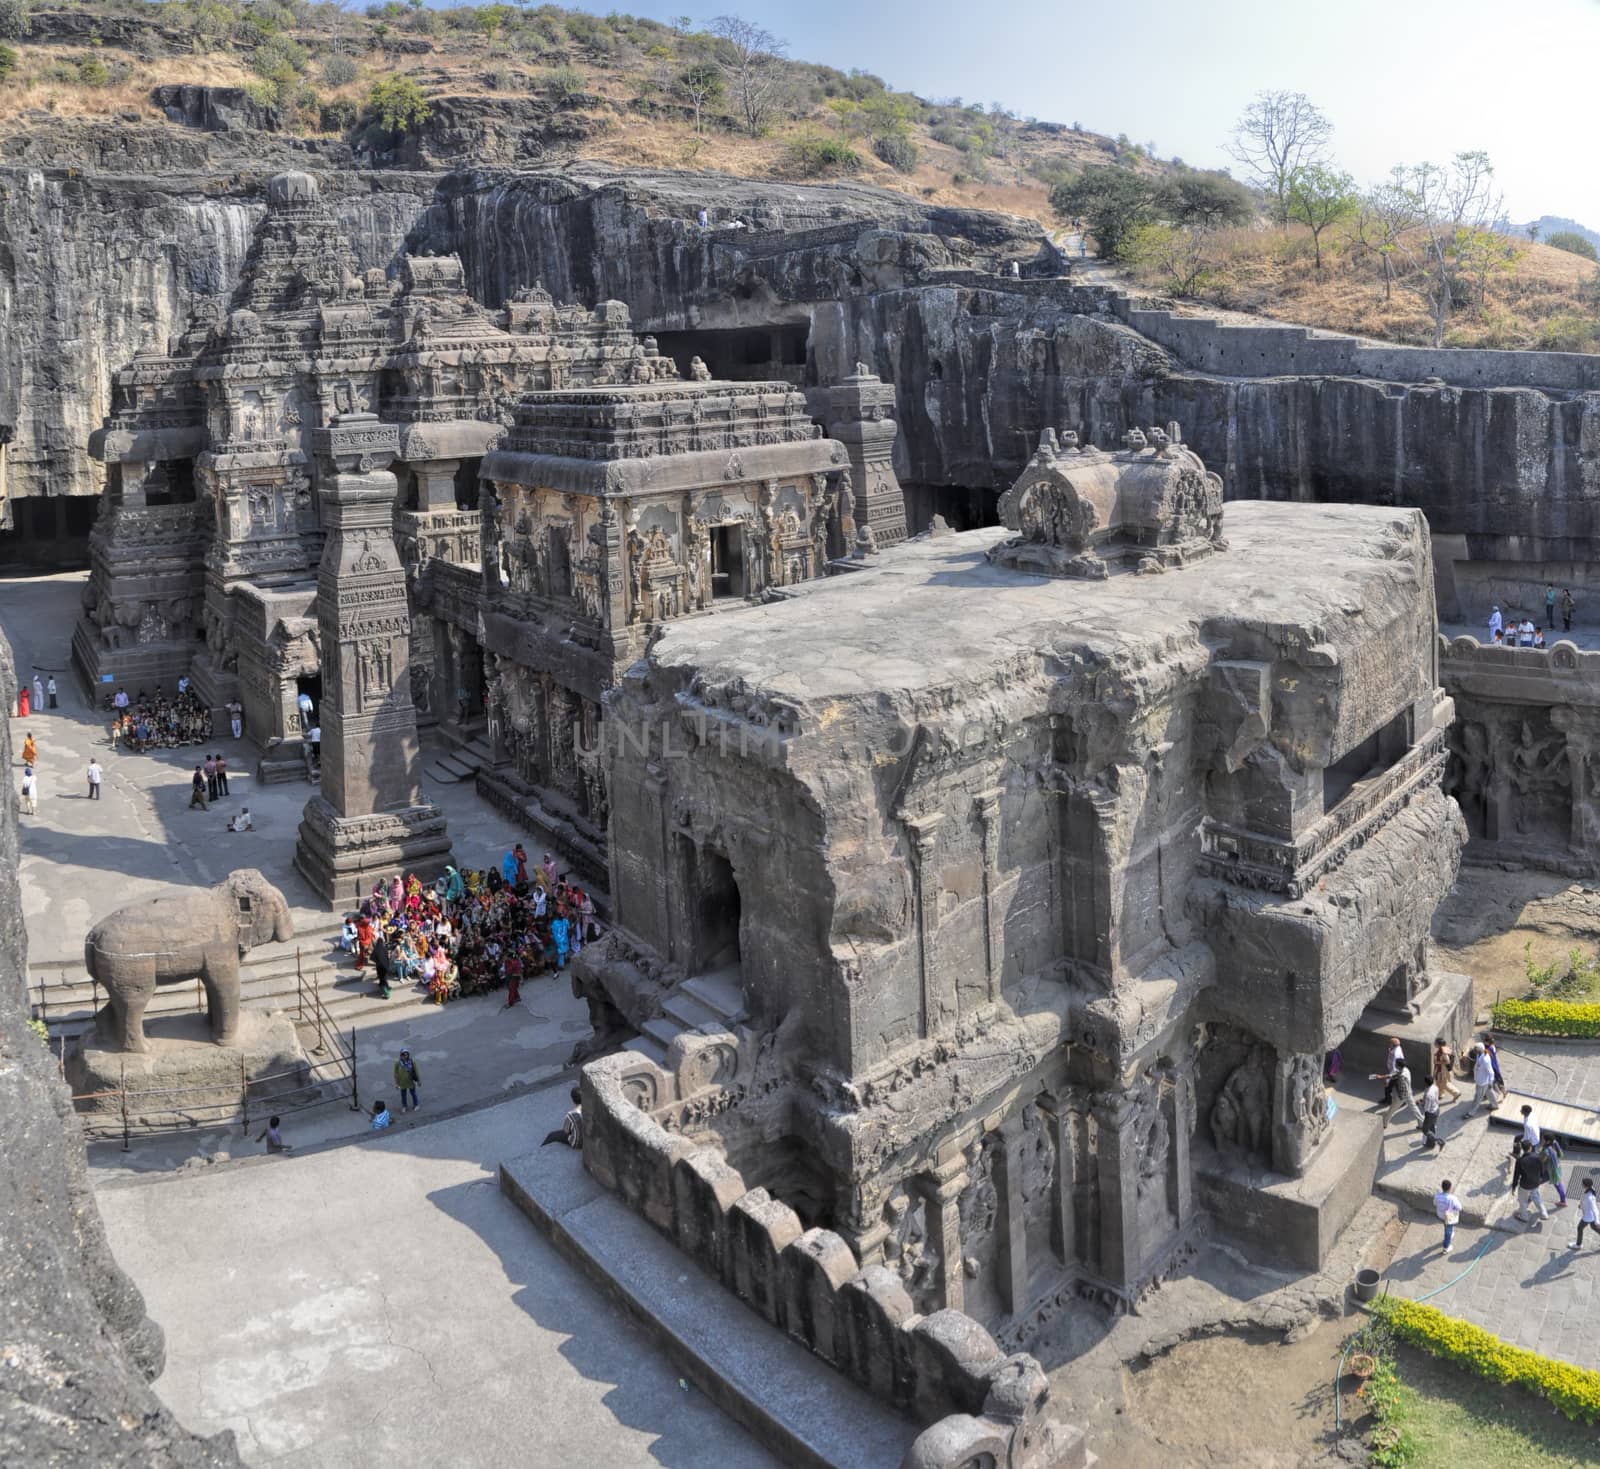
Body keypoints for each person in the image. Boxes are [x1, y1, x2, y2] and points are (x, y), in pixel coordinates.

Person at [1511, 1139, 1552, 1225]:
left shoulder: (1520, 1160)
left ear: (1523, 1149)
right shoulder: (1537, 1157)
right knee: (1536, 1197)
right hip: (1535, 1182)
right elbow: (1542, 1169)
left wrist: (1514, 1186)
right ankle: (1544, 1213)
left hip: (1525, 1185)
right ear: (1530, 1147)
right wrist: (1540, 1178)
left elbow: (1516, 1175)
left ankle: (1524, 1217)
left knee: (1522, 1201)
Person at [1386, 1059, 1424, 1126]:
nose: (1395, 1065)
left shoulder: (1401, 1077)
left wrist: (1400, 1097)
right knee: (1415, 1109)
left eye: (1396, 1064)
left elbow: (1403, 1088)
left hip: (1403, 1096)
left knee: (1392, 1110)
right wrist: (1383, 1076)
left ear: (1398, 1066)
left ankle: (1384, 1123)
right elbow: (1396, 1074)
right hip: (1409, 1094)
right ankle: (1422, 1123)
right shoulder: (1406, 1070)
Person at [1464, 1045, 1498, 1116]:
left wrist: (1490, 1082)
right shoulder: (1479, 1055)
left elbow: (1491, 1072)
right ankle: (1494, 1105)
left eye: (1476, 1050)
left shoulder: (1485, 1060)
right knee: (1489, 1093)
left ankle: (1471, 1112)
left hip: (1482, 1082)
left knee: (1477, 1098)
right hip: (1480, 1079)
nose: (1474, 1051)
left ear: (1480, 1050)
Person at [1434, 1179, 1463, 1255]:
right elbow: (1460, 1208)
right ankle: (1446, 1248)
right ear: (1450, 1188)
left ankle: (1450, 1233)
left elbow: (1435, 1203)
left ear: (1442, 1187)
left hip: (1440, 1215)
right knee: (1448, 1231)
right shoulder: (1452, 1198)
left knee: (1446, 1225)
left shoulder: (1437, 1196)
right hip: (1449, 1217)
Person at [1432, 1036, 1461, 1102]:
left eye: (1435, 1043)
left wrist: (1437, 1062)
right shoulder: (1445, 1048)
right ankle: (1441, 1094)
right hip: (1444, 1070)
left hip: (1441, 1070)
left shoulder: (1442, 1051)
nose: (1434, 1044)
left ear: (1439, 1044)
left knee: (1444, 1083)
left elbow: (1447, 1061)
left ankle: (1456, 1092)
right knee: (1439, 1082)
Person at [1541, 1133, 1568, 1207]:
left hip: (1551, 1172)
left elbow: (1542, 1160)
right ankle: (1563, 1201)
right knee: (1558, 1184)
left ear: (1548, 1141)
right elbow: (1561, 1155)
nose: (1542, 1140)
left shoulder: (1547, 1150)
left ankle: (1563, 1201)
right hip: (1557, 1168)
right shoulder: (1555, 1144)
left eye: (1543, 1139)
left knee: (1537, 1183)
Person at [1420, 1079, 1444, 1150]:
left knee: (1425, 1130)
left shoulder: (1428, 1095)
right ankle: (1431, 1144)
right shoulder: (1435, 1087)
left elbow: (1426, 1108)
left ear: (1426, 1083)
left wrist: (1420, 1104)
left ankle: (1439, 1141)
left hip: (1430, 1114)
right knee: (1432, 1127)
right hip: (1436, 1109)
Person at [1575, 1178, 1599, 1250]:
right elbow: (1585, 1202)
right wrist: (1581, 1206)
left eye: (1582, 1184)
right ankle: (1578, 1244)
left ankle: (1578, 1245)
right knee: (1593, 1227)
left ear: (1586, 1186)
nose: (1581, 1184)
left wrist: (1597, 1221)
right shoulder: (1591, 1189)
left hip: (1588, 1217)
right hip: (1590, 1216)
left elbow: (1595, 1209)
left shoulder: (1589, 1197)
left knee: (1579, 1228)